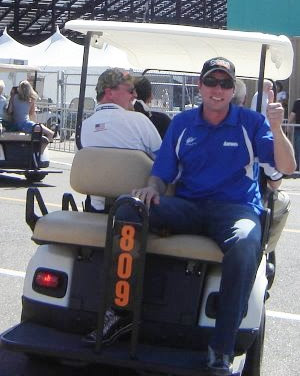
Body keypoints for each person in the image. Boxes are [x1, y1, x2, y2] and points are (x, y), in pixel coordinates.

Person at [117, 57, 295, 375]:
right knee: (129, 209)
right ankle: (117, 314)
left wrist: (277, 128)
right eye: (211, 82)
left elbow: (286, 166)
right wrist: (151, 189)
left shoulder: (251, 123)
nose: (217, 89)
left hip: (235, 210)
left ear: (233, 89)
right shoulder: (183, 124)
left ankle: (221, 349)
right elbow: (161, 174)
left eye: (225, 83)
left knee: (245, 242)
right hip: (190, 207)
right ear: (200, 86)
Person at [81, 68, 162, 213]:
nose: (135, 95)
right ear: (109, 92)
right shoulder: (139, 121)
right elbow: (163, 161)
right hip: (137, 210)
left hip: (96, 209)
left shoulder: (84, 128)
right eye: (130, 90)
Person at [288, 99, 300, 170]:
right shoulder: (297, 102)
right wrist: (288, 124)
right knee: (297, 149)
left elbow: (293, 114)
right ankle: (297, 167)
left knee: (298, 148)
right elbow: (293, 114)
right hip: (298, 129)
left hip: (298, 129)